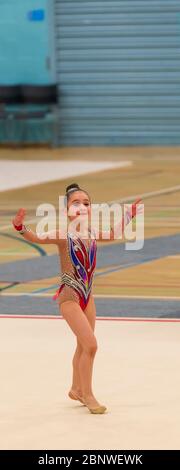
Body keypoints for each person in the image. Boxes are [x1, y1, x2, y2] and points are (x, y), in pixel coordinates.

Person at [12, 183, 142, 414]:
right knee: (91, 345)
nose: (82, 207)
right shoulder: (64, 235)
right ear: (66, 211)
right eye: (76, 203)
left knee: (83, 345)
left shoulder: (91, 232)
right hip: (70, 296)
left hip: (87, 296)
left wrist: (129, 216)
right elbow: (38, 237)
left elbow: (114, 234)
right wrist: (21, 227)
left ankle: (75, 388)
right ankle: (88, 394)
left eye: (86, 203)